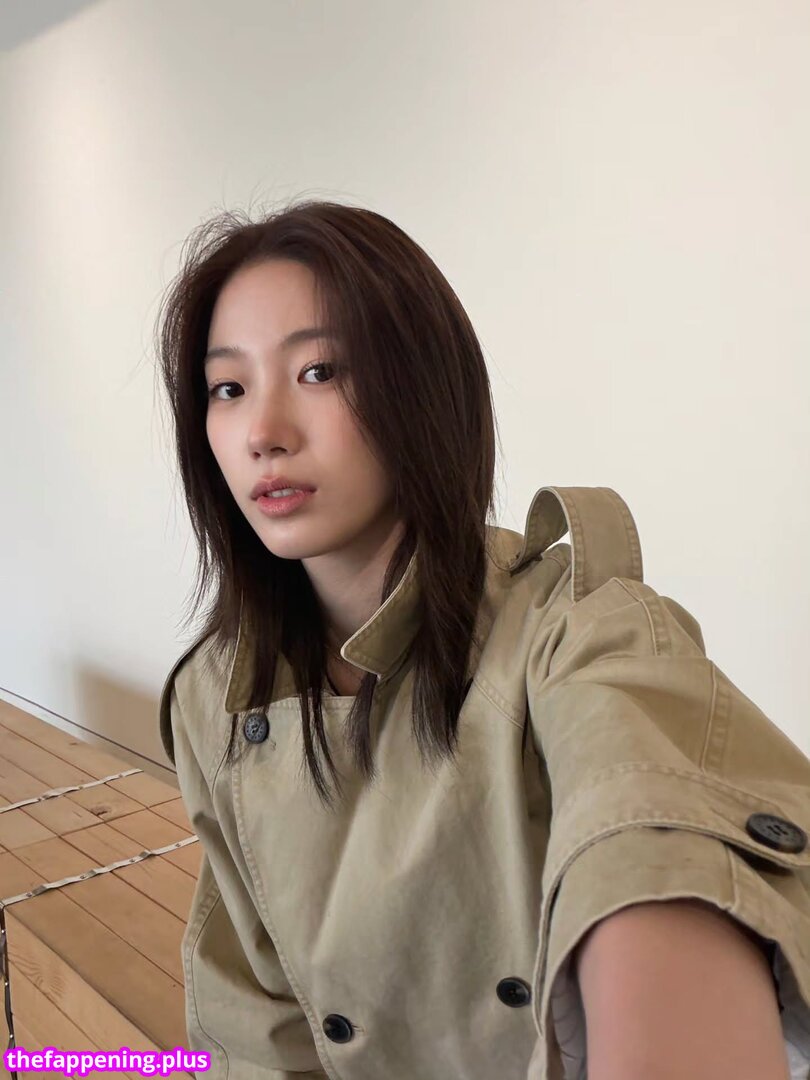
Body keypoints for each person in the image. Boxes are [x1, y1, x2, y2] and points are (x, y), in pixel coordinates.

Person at [155, 199, 810, 1079]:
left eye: (319, 371)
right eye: (228, 388)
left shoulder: (571, 627)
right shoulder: (217, 694)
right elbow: (256, 1023)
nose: (264, 434)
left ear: (422, 384)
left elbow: (651, 825)